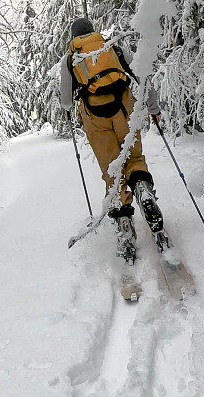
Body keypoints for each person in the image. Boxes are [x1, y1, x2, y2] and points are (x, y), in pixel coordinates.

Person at [60, 17, 170, 264]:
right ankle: (142, 187)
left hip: (95, 118)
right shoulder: (112, 46)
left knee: (112, 170)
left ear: (74, 37)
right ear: (93, 31)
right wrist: (153, 108)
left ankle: (124, 225)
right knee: (134, 158)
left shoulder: (71, 59)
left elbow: (66, 101)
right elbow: (140, 75)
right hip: (124, 108)